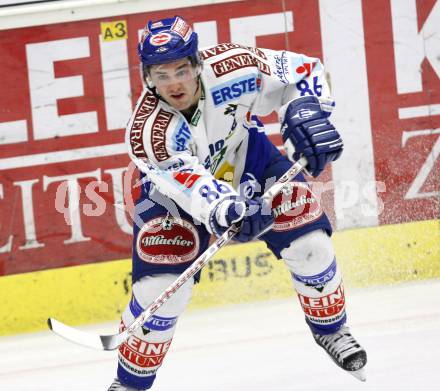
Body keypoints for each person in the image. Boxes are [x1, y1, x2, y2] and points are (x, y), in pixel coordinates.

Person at [108, 15, 367, 391]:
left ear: (196, 63)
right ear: (147, 77)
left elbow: (305, 72)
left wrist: (305, 110)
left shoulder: (235, 65)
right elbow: (191, 185)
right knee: (161, 292)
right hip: (175, 200)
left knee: (311, 246)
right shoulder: (149, 132)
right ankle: (130, 383)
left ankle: (333, 331)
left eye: (181, 69)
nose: (174, 83)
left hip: (252, 161)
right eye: (162, 75)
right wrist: (227, 209)